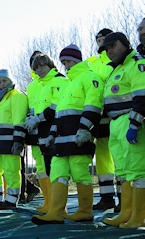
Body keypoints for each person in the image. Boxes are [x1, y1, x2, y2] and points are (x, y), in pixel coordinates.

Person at [31, 44, 104, 225]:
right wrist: (52, 134)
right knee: (57, 172)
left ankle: (85, 211)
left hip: (79, 136)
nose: (67, 65)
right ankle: (55, 213)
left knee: (80, 172)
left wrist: (85, 129)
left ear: (78, 59)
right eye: (63, 62)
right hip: (61, 139)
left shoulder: (90, 78)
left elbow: (94, 106)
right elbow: (59, 115)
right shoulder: (66, 84)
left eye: (69, 61)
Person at [100, 32, 145, 229]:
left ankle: (139, 217)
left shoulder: (136, 64)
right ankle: (126, 213)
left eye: (113, 46)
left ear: (125, 44)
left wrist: (135, 124)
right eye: (106, 49)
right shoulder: (116, 69)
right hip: (116, 124)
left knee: (138, 172)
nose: (110, 51)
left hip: (129, 121)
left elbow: (142, 96)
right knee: (124, 172)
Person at [25, 53, 67, 213]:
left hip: (55, 129)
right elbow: (33, 107)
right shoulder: (36, 86)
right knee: (45, 168)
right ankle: (50, 204)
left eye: (41, 65)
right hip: (40, 130)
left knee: (57, 169)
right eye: (35, 67)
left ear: (50, 64)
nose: (38, 70)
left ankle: (58, 208)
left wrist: (38, 118)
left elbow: (55, 107)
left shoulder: (59, 81)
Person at [0, 69, 28, 210]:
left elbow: (19, 119)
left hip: (10, 142)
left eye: (4, 81)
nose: (2, 84)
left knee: (11, 171)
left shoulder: (17, 96)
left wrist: (18, 140)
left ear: (10, 80)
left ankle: (11, 199)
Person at [87, 28, 117, 211]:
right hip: (100, 116)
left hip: (118, 114)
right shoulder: (93, 64)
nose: (101, 43)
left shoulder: (118, 61)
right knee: (103, 158)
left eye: (104, 39)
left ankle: (125, 198)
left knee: (120, 156)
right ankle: (107, 197)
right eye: (98, 40)